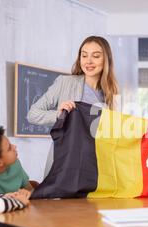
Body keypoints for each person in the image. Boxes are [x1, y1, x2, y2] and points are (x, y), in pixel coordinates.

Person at [27, 36, 120, 177]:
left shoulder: (112, 93)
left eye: (95, 56)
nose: (88, 61)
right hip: (65, 160)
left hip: (96, 164)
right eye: (84, 55)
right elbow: (32, 114)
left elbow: (114, 132)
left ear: (106, 60)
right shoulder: (65, 83)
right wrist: (58, 115)